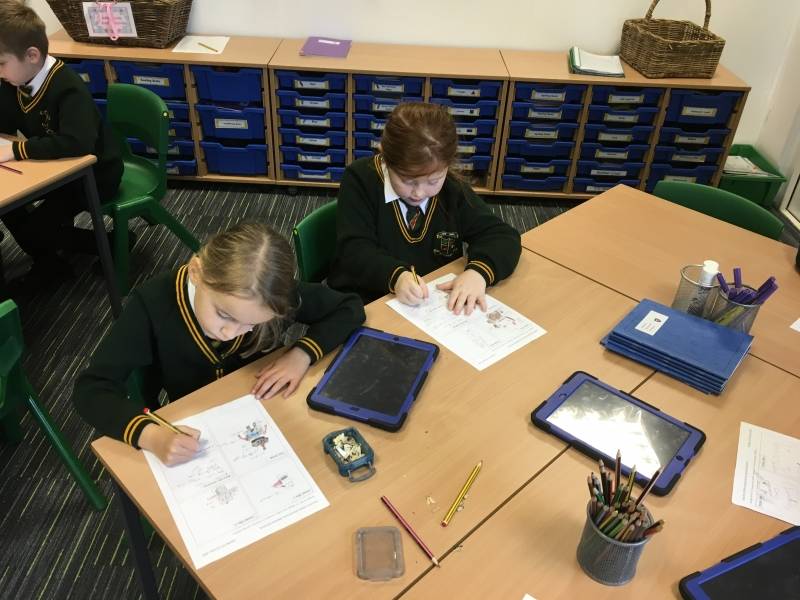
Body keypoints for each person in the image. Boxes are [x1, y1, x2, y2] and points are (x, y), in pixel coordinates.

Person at [72, 222, 366, 465]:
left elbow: (349, 308)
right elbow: (91, 388)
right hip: (196, 431)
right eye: (224, 315)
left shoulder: (268, 291)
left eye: (252, 325)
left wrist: (302, 353)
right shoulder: (151, 305)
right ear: (196, 272)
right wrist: (151, 436)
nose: (231, 333)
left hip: (267, 412)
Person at [328, 102, 521, 315]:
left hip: (430, 305)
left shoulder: (451, 188)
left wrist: (478, 273)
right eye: (407, 181)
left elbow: (501, 235)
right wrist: (397, 276)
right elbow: (354, 250)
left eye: (433, 181)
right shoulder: (360, 179)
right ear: (385, 156)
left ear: (447, 165)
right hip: (366, 300)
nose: (419, 193)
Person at [0, 0, 123, 284]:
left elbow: (77, 143)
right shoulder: (14, 81)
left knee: (34, 229)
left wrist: (17, 149)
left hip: (94, 175)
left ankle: (112, 243)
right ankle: (49, 262)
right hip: (56, 169)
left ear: (32, 56)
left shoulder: (67, 88)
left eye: (1, 63)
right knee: (9, 208)